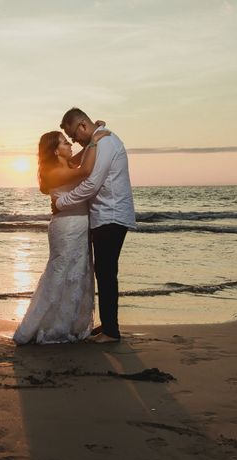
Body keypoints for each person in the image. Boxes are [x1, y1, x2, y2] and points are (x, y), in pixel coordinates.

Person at [13, 127, 111, 345]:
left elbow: (80, 158)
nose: (70, 145)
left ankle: (70, 324)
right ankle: (45, 326)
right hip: (66, 227)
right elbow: (86, 170)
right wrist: (93, 140)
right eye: (65, 142)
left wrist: (89, 141)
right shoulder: (54, 172)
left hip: (80, 224)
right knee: (59, 272)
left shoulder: (66, 164)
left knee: (78, 272)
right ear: (56, 151)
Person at [52, 108, 136, 343]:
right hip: (105, 214)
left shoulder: (105, 142)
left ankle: (111, 331)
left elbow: (91, 183)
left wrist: (62, 202)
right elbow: (80, 168)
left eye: (74, 136)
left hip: (111, 214)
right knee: (105, 271)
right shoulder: (98, 141)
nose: (75, 142)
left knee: (107, 272)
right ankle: (109, 324)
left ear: (82, 126)